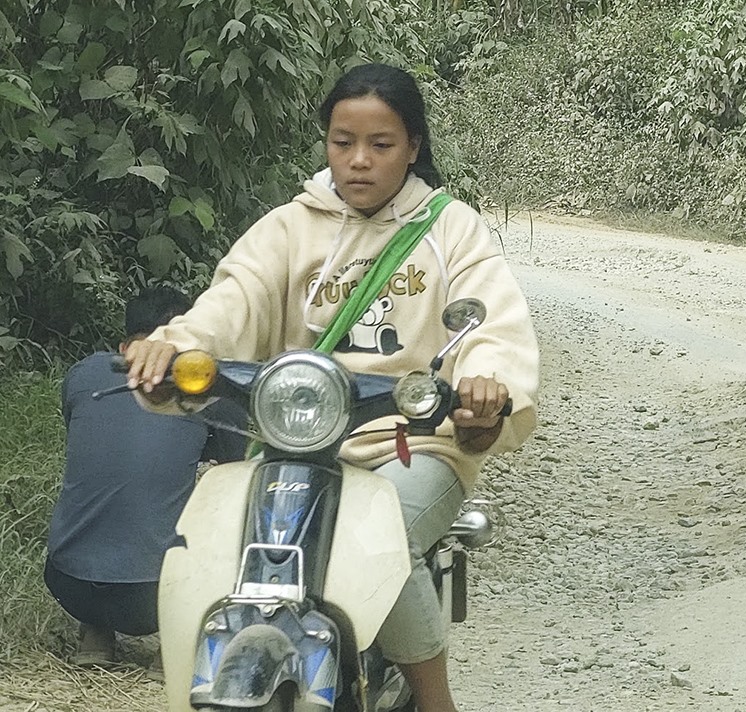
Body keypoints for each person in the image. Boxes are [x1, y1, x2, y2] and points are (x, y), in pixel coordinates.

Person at [122, 63, 539, 712]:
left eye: (381, 144)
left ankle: (437, 702)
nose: (359, 161)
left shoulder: (450, 228)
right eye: (343, 142)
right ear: (326, 143)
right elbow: (230, 303)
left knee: (381, 537)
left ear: (413, 147)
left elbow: (491, 319)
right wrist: (173, 346)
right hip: (295, 441)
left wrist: (488, 381)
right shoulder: (290, 227)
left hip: (413, 442)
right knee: (209, 536)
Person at [44, 286, 245, 674]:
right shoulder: (206, 386)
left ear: (124, 346)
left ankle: (95, 636)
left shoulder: (84, 373)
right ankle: (173, 647)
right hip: (150, 599)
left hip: (66, 581)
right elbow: (235, 467)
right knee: (231, 503)